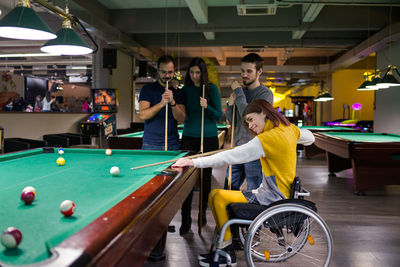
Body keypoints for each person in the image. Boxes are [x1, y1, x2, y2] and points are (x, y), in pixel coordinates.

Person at [172, 99, 314, 266]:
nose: (251, 126)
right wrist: (292, 141)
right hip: (276, 194)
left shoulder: (268, 139)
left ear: (263, 112)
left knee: (217, 197)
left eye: (251, 119)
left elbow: (229, 156)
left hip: (271, 198)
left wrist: (193, 162)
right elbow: (310, 137)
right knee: (216, 194)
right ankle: (224, 250)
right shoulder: (289, 129)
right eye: (247, 123)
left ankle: (226, 253)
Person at [179, 57, 222, 235]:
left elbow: (218, 115)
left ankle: (202, 214)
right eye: (192, 72)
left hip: (209, 138)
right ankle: (185, 219)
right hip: (189, 137)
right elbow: (179, 110)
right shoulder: (185, 90)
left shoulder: (212, 90)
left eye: (198, 72)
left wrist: (207, 107)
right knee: (187, 179)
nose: (195, 75)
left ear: (202, 73)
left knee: (205, 179)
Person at [225, 53, 273, 191]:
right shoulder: (240, 93)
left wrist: (239, 92)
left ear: (259, 72)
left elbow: (248, 117)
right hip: (237, 148)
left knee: (254, 191)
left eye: (249, 71)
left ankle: (254, 214)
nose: (244, 75)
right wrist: (230, 105)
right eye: (242, 71)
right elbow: (232, 120)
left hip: (254, 151)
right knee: (228, 190)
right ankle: (230, 214)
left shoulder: (265, 94)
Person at [139, 55, 186, 150]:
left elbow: (181, 118)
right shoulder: (147, 89)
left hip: (172, 143)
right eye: (164, 72)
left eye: (170, 72)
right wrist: (161, 103)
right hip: (151, 143)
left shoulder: (179, 92)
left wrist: (172, 102)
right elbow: (143, 115)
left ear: (174, 71)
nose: (167, 76)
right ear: (158, 71)